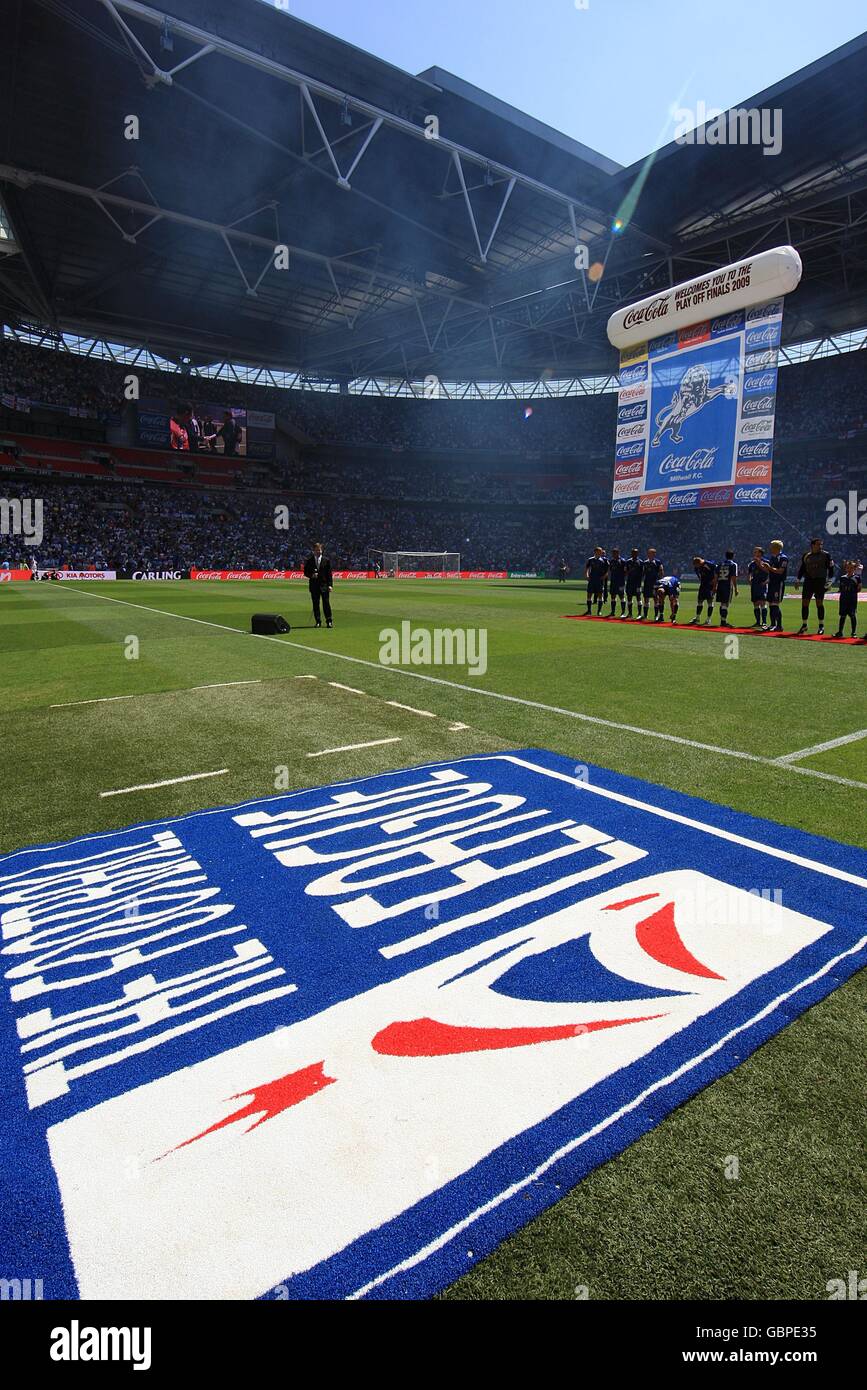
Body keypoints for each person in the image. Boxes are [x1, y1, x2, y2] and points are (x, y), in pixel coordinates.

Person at [796, 537, 834, 636]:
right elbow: (802, 568)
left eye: (821, 544)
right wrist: (798, 579)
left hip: (820, 580)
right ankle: (804, 624)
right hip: (808, 580)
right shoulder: (806, 555)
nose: (820, 546)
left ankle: (821, 625)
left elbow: (831, 568)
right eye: (818, 544)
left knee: (819, 603)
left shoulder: (826, 555)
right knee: (805, 603)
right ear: (812, 545)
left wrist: (830, 580)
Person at [303, 541, 333, 628]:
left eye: (319, 550)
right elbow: (305, 572)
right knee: (316, 604)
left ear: (322, 550)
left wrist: (330, 585)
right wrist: (311, 575)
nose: (318, 552)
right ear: (313, 551)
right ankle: (318, 621)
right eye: (316, 550)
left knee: (326, 604)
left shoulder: (326, 560)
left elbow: (329, 574)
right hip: (314, 586)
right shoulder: (309, 560)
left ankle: (329, 621)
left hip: (324, 585)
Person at [765, 539, 789, 634]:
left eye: (771, 546)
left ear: (776, 547)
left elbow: (780, 571)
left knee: (775, 604)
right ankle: (772, 624)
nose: (770, 548)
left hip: (778, 583)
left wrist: (769, 568)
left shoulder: (783, 558)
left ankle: (779, 626)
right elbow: (770, 570)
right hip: (772, 582)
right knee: (771, 604)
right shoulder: (772, 557)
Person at [833, 559, 860, 639]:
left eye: (851, 568)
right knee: (842, 615)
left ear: (854, 569)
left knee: (852, 615)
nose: (850, 569)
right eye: (848, 567)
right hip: (843, 599)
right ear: (846, 569)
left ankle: (853, 632)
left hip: (852, 599)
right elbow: (840, 588)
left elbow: (859, 588)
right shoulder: (842, 578)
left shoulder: (857, 577)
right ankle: (840, 632)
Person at [688, 555, 718, 625]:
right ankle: (697, 618)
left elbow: (717, 572)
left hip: (710, 586)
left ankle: (708, 619)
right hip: (703, 585)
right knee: (700, 601)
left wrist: (714, 585)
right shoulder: (697, 568)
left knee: (710, 602)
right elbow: (699, 576)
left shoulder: (709, 564)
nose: (696, 567)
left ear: (699, 563)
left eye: (696, 565)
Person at [715, 550, 738, 628]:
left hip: (720, 585)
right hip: (727, 586)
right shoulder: (733, 564)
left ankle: (722, 620)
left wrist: (714, 587)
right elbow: (733, 577)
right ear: (733, 556)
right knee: (725, 604)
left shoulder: (720, 564)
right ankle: (723, 621)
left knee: (722, 604)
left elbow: (716, 576)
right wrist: (736, 588)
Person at [748, 546, 769, 629]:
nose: (754, 553)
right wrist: (749, 579)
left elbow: (768, 572)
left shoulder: (766, 562)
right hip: (754, 586)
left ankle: (764, 622)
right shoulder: (752, 564)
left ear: (760, 553)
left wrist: (759, 564)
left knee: (763, 603)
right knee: (755, 603)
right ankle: (757, 622)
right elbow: (750, 573)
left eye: (756, 551)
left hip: (762, 585)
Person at [584, 547, 609, 615]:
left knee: (600, 595)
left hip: (599, 580)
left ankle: (599, 611)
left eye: (601, 552)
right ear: (595, 552)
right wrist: (586, 575)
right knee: (589, 594)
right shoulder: (590, 559)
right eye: (599, 551)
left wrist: (604, 576)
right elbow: (586, 568)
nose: (600, 553)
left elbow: (608, 570)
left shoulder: (605, 560)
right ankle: (589, 610)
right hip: (592, 579)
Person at [640, 548, 663, 620]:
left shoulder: (658, 562)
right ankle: (645, 615)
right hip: (647, 582)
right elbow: (643, 573)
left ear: (654, 554)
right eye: (649, 553)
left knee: (655, 599)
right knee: (646, 598)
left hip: (655, 583)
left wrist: (660, 580)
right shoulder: (645, 562)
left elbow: (661, 571)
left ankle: (656, 616)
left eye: (652, 553)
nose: (650, 554)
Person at [607, 547, 627, 617]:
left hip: (620, 582)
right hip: (613, 581)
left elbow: (625, 571)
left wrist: (622, 578)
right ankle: (613, 612)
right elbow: (609, 570)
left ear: (618, 553)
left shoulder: (622, 561)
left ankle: (623, 613)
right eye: (613, 553)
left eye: (615, 553)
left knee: (621, 596)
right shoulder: (611, 561)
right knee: (613, 596)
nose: (613, 554)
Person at [625, 547, 643, 619]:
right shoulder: (628, 562)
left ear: (637, 554)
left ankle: (639, 614)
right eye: (633, 552)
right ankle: (630, 613)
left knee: (638, 597)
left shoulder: (641, 562)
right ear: (631, 553)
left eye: (635, 553)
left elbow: (643, 572)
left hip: (637, 583)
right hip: (629, 582)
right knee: (629, 597)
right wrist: (629, 572)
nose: (634, 554)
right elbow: (625, 572)